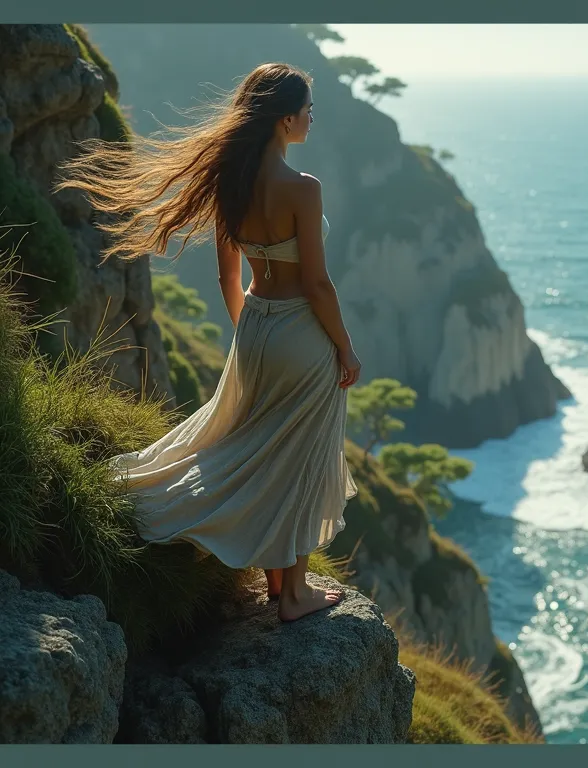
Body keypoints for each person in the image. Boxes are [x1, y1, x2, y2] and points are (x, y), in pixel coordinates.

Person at [56, 62, 360, 622]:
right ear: (285, 119)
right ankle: (293, 595)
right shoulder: (303, 189)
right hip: (300, 331)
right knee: (297, 457)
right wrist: (344, 347)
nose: (312, 119)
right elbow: (317, 282)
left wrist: (254, 327)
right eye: (308, 110)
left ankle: (278, 585)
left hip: (258, 328)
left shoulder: (230, 182)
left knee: (261, 443)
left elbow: (228, 277)